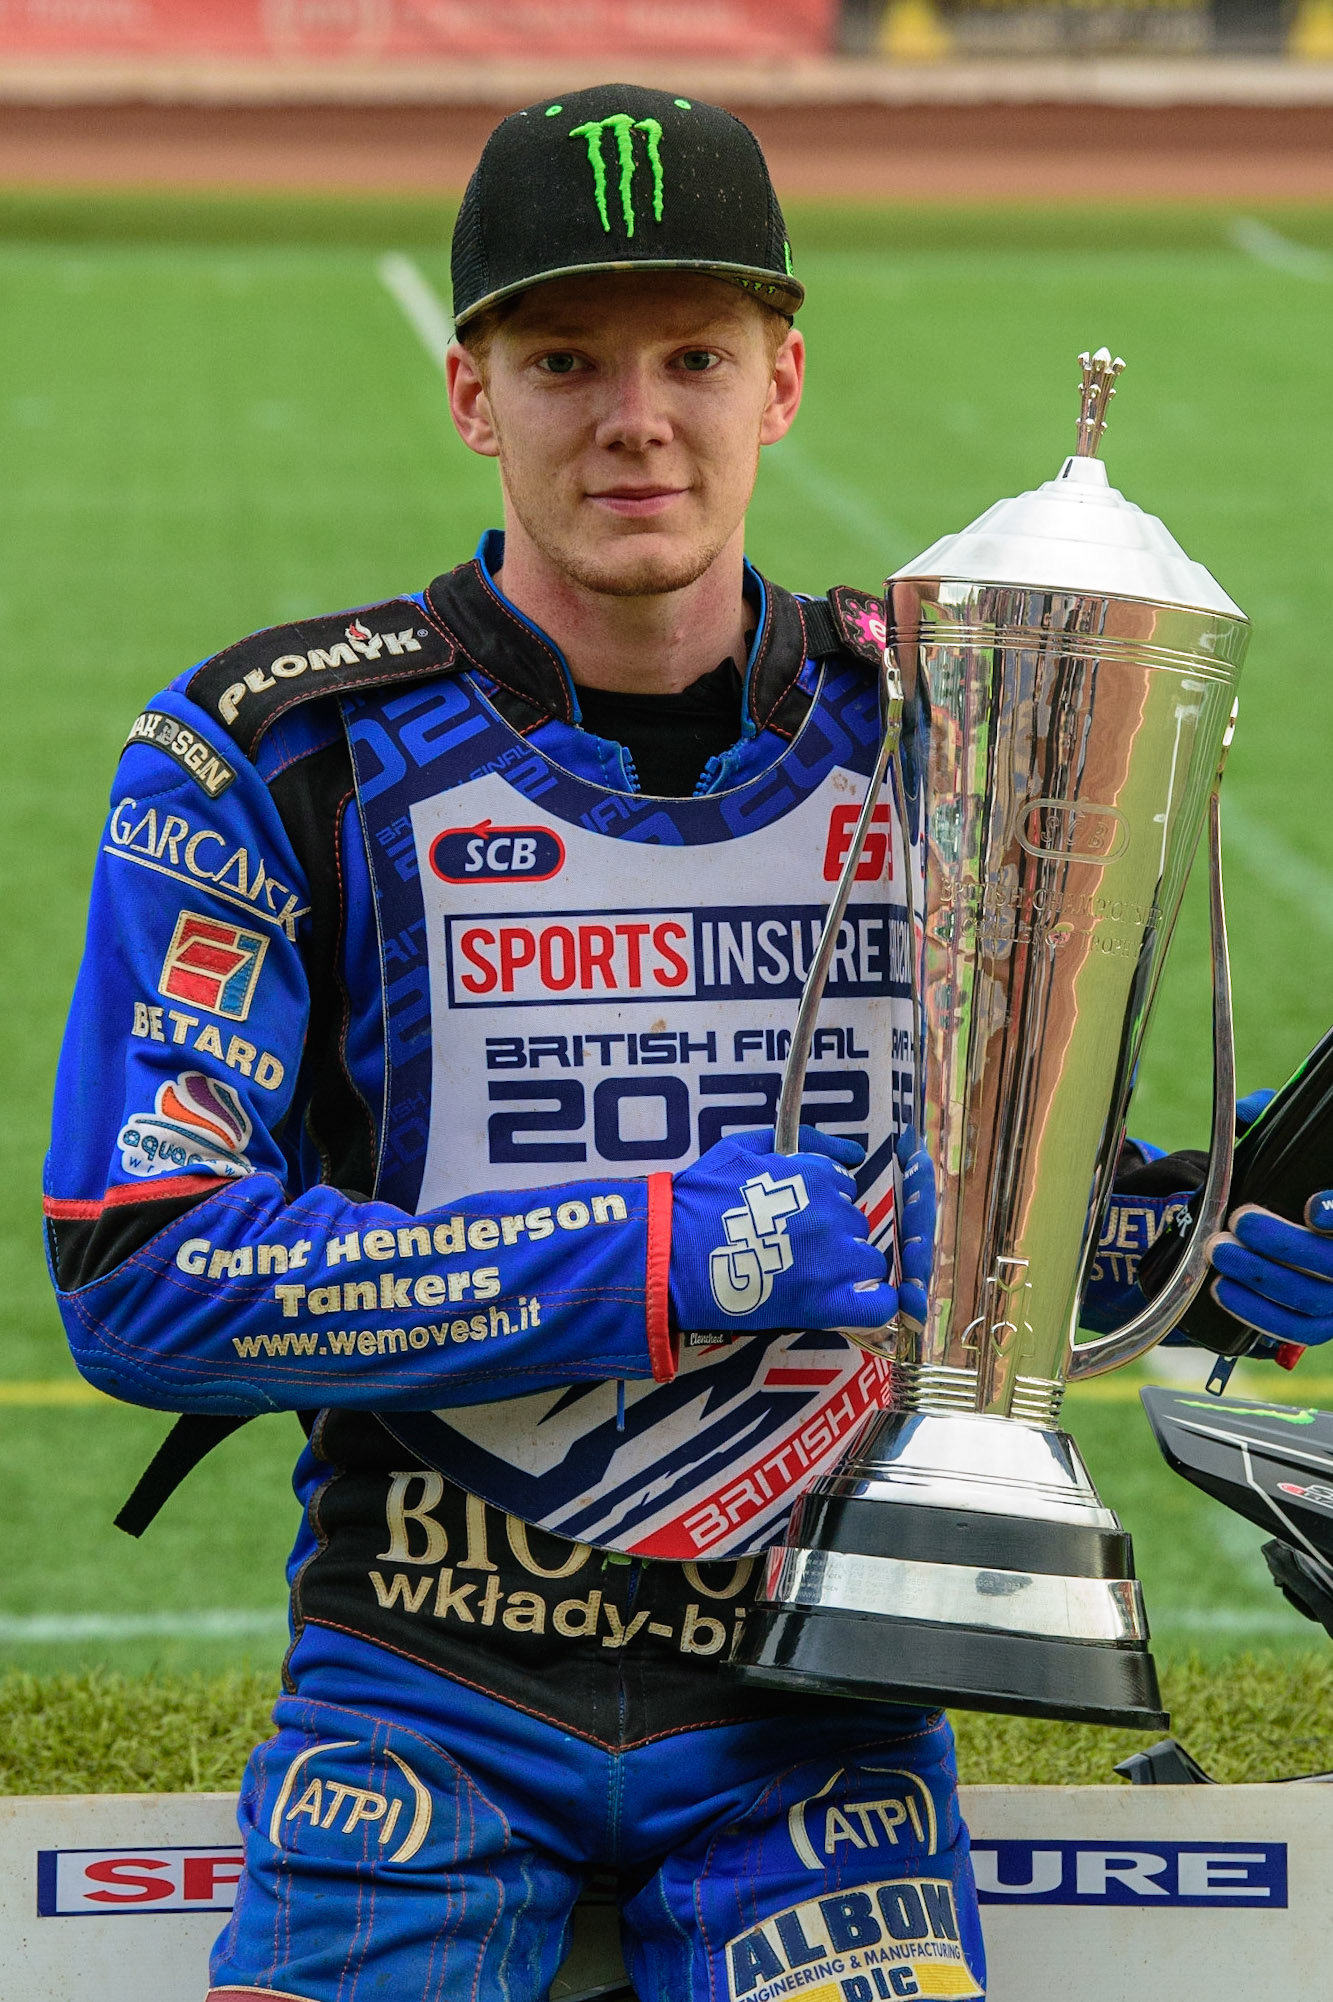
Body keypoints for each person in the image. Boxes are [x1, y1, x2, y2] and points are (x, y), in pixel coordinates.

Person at [42, 83, 1328, 2002]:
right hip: (423, 1683)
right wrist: (653, 1257)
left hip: (822, 1692)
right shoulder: (270, 749)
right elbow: (138, 1282)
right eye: (564, 356)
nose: (634, 417)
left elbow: (952, 1220)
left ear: (780, 380)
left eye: (693, 355)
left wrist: (1190, 1242)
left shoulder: (950, 721)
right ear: (472, 390)